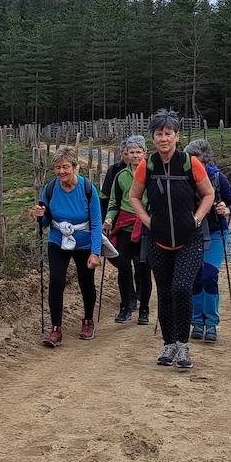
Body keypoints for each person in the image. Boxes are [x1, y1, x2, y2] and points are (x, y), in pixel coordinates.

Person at [128, 112, 214, 369]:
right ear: (152, 137)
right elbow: (134, 196)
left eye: (168, 133)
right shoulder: (148, 165)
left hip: (190, 239)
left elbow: (208, 193)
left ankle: (183, 346)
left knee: (181, 288)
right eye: (159, 134)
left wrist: (197, 219)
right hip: (158, 240)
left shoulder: (190, 163)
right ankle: (168, 345)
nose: (163, 138)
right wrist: (147, 220)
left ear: (177, 136)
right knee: (164, 293)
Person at [32, 148, 103, 347]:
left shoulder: (88, 189)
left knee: (86, 283)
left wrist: (95, 253)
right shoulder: (50, 188)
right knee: (56, 280)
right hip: (57, 239)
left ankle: (88, 320)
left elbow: (96, 223)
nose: (61, 172)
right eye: (57, 167)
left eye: (65, 167)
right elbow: (45, 222)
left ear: (75, 167)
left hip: (84, 242)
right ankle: (56, 329)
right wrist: (40, 214)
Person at [184, 139, 231, 342]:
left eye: (200, 161)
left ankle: (211, 323)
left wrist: (225, 209)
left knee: (208, 274)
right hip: (190, 235)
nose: (196, 165)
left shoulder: (217, 177)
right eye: (192, 161)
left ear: (205, 160)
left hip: (215, 232)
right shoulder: (183, 178)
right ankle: (197, 321)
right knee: (196, 276)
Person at [102, 135, 152, 325]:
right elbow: (114, 202)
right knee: (123, 266)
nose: (135, 155)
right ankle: (125, 306)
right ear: (126, 155)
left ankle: (144, 310)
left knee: (143, 267)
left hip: (146, 226)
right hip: (124, 226)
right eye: (132, 152)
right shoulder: (120, 176)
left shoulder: (151, 174)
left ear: (145, 153)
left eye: (139, 152)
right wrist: (109, 218)